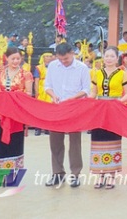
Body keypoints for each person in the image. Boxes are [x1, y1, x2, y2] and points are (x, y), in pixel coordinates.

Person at [43, 42, 91, 188]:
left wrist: (73, 99)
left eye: (67, 59)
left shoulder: (82, 68)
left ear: (72, 53)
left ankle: (75, 174)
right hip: (57, 108)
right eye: (61, 59)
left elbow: (86, 90)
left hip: (74, 108)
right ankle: (57, 173)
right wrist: (53, 95)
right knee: (55, 142)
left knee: (74, 142)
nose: (64, 62)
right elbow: (47, 86)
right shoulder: (52, 66)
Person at [88, 46, 127, 189]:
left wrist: (118, 102)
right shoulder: (97, 74)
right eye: (106, 56)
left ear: (117, 58)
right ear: (103, 57)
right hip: (99, 111)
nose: (108, 59)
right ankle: (100, 175)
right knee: (98, 140)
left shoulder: (122, 74)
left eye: (112, 56)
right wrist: (85, 103)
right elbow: (93, 93)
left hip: (114, 110)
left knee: (113, 140)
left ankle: (112, 176)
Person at [0, 47, 33, 170]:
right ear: (7, 58)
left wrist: (15, 95)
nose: (15, 61)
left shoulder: (26, 74)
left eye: (18, 58)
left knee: (15, 141)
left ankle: (12, 172)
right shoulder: (0, 73)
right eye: (13, 59)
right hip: (0, 113)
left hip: (16, 114)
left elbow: (29, 93)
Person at [33, 53, 54, 135]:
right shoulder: (38, 68)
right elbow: (36, 81)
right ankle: (38, 128)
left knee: (49, 109)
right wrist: (37, 91)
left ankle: (47, 128)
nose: (48, 58)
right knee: (39, 109)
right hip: (42, 89)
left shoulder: (54, 67)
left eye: (50, 56)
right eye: (46, 56)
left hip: (51, 89)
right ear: (43, 57)